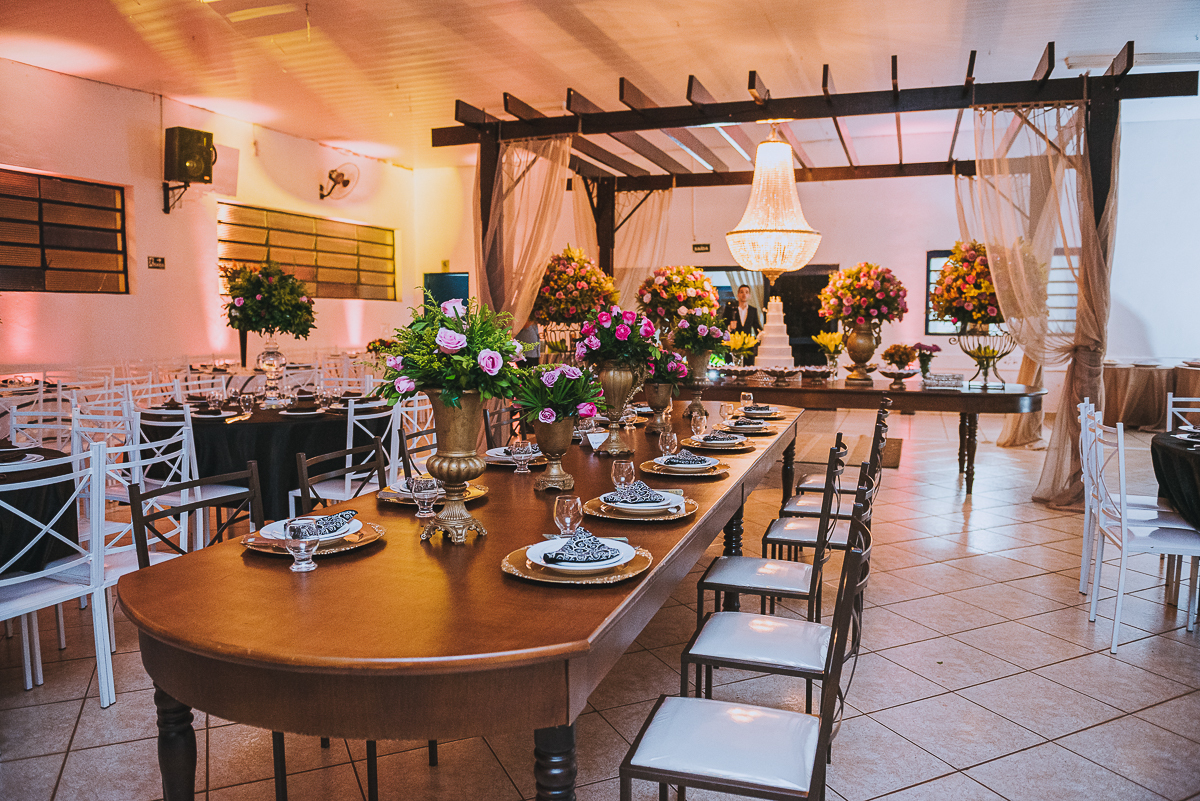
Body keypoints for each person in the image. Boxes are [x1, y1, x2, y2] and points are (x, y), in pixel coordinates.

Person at [723, 284, 761, 365]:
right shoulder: (730, 309)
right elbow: (723, 325)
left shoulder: (753, 310)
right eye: (741, 292)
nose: (744, 294)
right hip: (732, 346)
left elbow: (756, 326)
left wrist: (762, 335)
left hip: (747, 346)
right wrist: (729, 327)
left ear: (749, 295)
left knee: (748, 369)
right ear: (738, 295)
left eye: (746, 292)